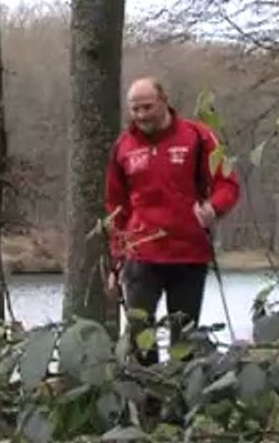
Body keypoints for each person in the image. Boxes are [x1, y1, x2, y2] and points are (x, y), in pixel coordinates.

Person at [104, 76, 241, 367]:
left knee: (185, 340)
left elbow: (227, 183)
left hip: (188, 254)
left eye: (147, 107)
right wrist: (115, 262)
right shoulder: (124, 147)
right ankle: (150, 406)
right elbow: (116, 208)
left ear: (164, 102)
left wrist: (213, 208)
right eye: (135, 109)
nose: (141, 115)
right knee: (141, 336)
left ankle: (180, 407)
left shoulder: (197, 136)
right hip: (141, 255)